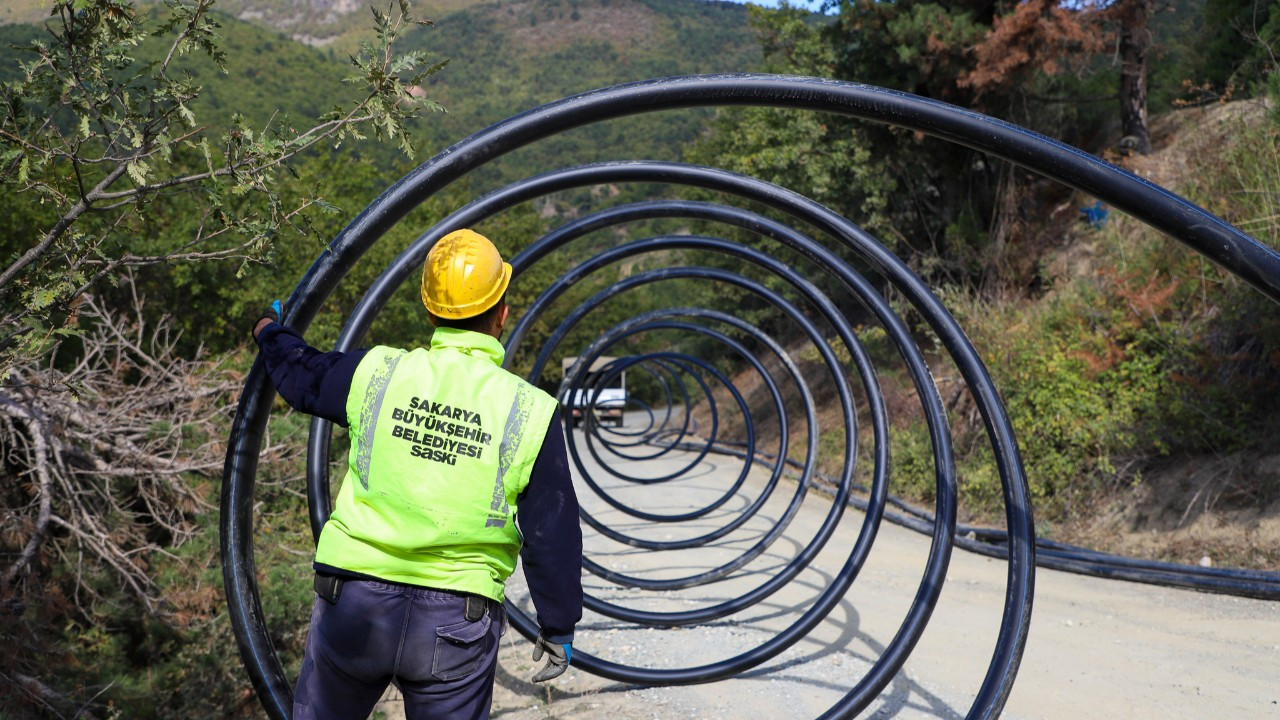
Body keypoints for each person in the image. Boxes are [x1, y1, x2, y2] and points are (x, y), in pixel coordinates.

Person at [252, 228, 583, 720]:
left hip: (355, 603)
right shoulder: (530, 409)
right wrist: (557, 625)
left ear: (430, 313)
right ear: (503, 314)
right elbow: (551, 529)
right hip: (456, 620)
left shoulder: (379, 373)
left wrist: (268, 332)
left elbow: (302, 377)